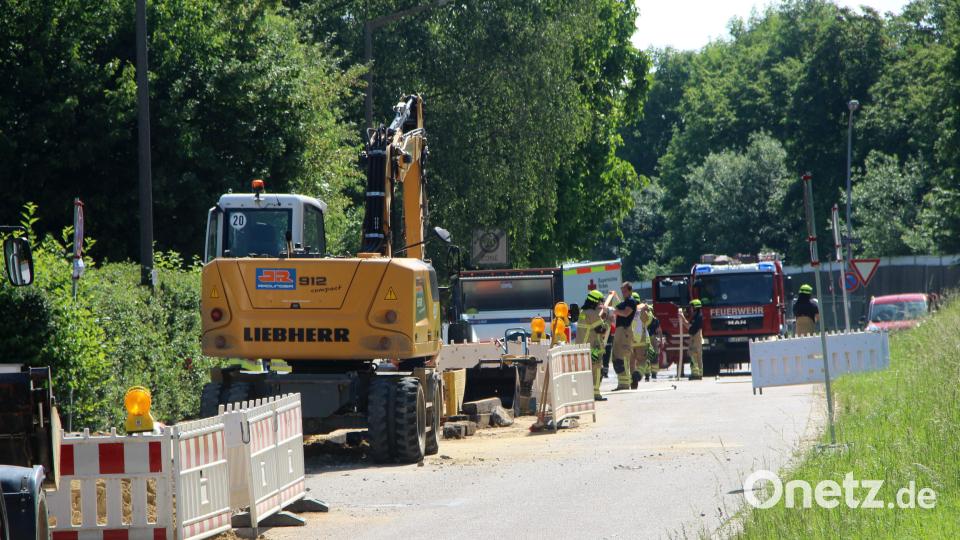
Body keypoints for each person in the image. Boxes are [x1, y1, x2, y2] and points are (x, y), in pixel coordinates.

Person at [577, 289, 609, 401]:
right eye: (599, 302)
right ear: (595, 301)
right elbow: (601, 330)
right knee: (597, 370)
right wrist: (607, 320)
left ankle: (585, 394)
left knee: (584, 372)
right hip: (592, 348)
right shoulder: (592, 313)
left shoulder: (583, 312)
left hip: (581, 347)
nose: (600, 304)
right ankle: (596, 394)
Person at [609, 282, 638, 391]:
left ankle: (625, 383)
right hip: (620, 330)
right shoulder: (625, 302)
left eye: (625, 291)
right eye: (622, 291)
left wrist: (614, 311)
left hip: (625, 331)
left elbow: (626, 313)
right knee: (617, 356)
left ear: (630, 291)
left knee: (622, 356)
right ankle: (622, 382)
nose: (623, 293)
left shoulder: (631, 301)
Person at [678, 299, 703, 380]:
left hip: (696, 337)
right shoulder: (697, 316)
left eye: (691, 307)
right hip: (696, 337)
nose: (690, 309)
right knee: (696, 355)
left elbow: (690, 328)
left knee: (693, 354)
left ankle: (696, 374)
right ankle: (699, 373)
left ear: (695, 307)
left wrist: (682, 317)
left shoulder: (698, 317)